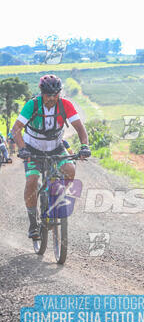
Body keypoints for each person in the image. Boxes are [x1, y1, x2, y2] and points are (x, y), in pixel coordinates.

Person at [10, 74, 91, 239]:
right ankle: (33, 223)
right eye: (48, 94)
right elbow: (16, 129)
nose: (52, 98)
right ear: (41, 93)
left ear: (59, 93)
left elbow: (80, 128)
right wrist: (22, 148)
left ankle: (55, 197)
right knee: (32, 180)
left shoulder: (65, 105)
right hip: (33, 149)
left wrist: (84, 146)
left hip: (56, 147)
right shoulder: (32, 105)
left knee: (70, 170)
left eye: (56, 94)